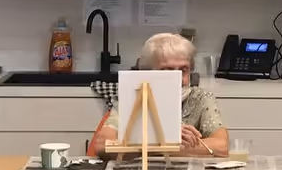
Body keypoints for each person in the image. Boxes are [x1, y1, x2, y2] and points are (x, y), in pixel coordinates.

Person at [87, 33, 229, 157]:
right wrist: (162, 140)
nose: (178, 79)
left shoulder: (201, 98)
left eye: (184, 70)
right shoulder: (134, 97)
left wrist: (149, 146)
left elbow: (221, 146)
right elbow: (102, 145)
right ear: (148, 73)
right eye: (168, 71)